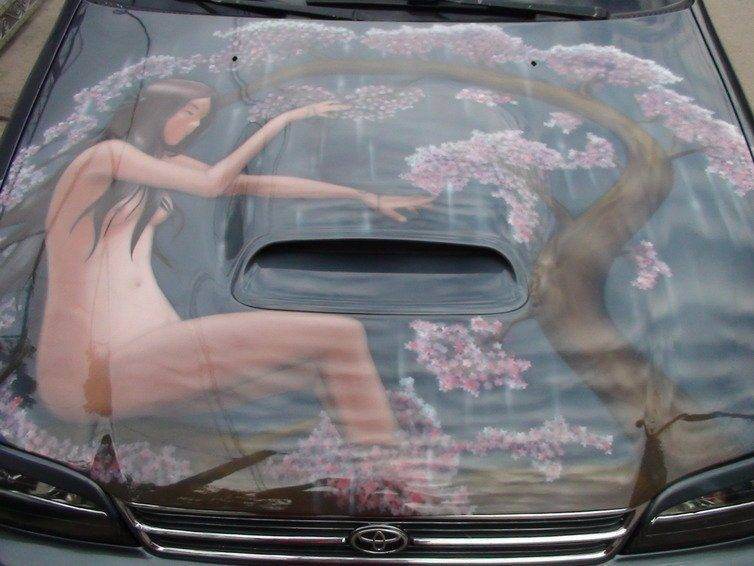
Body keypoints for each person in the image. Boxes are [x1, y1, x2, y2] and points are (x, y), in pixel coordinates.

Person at [34, 78, 432, 445]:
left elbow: (252, 185)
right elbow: (213, 184)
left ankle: (377, 474)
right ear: (156, 109)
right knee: (340, 336)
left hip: (146, 354)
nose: (194, 125)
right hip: (95, 369)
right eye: (189, 112)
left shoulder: (157, 164)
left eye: (201, 118)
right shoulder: (105, 156)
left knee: (320, 369)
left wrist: (359, 196)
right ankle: (393, 475)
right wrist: (280, 122)